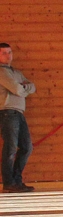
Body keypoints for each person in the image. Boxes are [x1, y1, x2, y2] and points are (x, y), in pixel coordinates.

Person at [0, 43, 36, 193]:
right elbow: (16, 89)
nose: (8, 55)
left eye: (9, 52)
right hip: (7, 112)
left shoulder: (16, 72)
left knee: (27, 147)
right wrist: (22, 88)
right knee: (11, 148)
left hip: (19, 113)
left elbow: (32, 87)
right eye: (4, 53)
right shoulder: (2, 72)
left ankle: (16, 180)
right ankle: (9, 182)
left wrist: (23, 88)